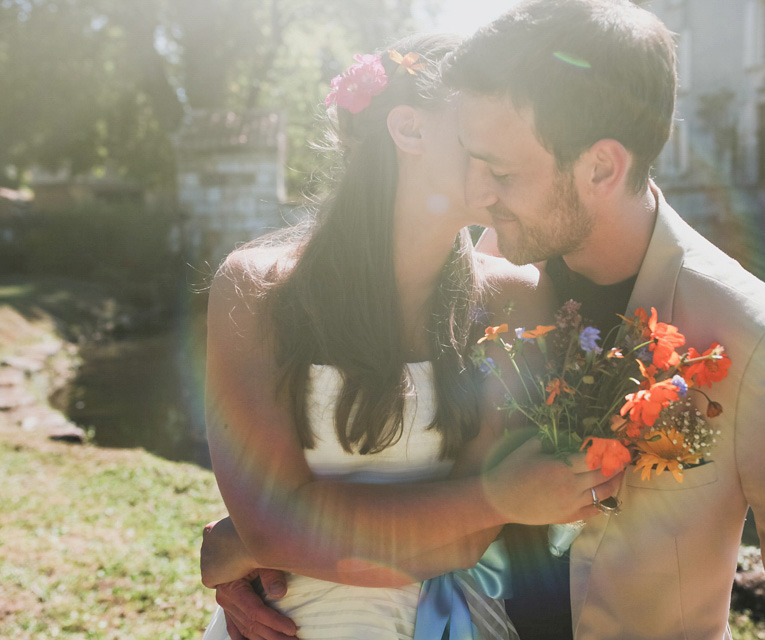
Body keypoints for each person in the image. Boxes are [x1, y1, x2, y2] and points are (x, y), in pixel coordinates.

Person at [440, 1, 765, 638]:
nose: (478, 193)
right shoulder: (480, 274)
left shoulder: (754, 334)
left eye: (501, 171)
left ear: (602, 166)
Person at [199, 33, 622, 640]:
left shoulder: (517, 298)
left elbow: (467, 546)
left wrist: (256, 540)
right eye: (485, 125)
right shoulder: (256, 289)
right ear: (411, 130)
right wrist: (498, 498)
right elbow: (272, 525)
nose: (512, 149)